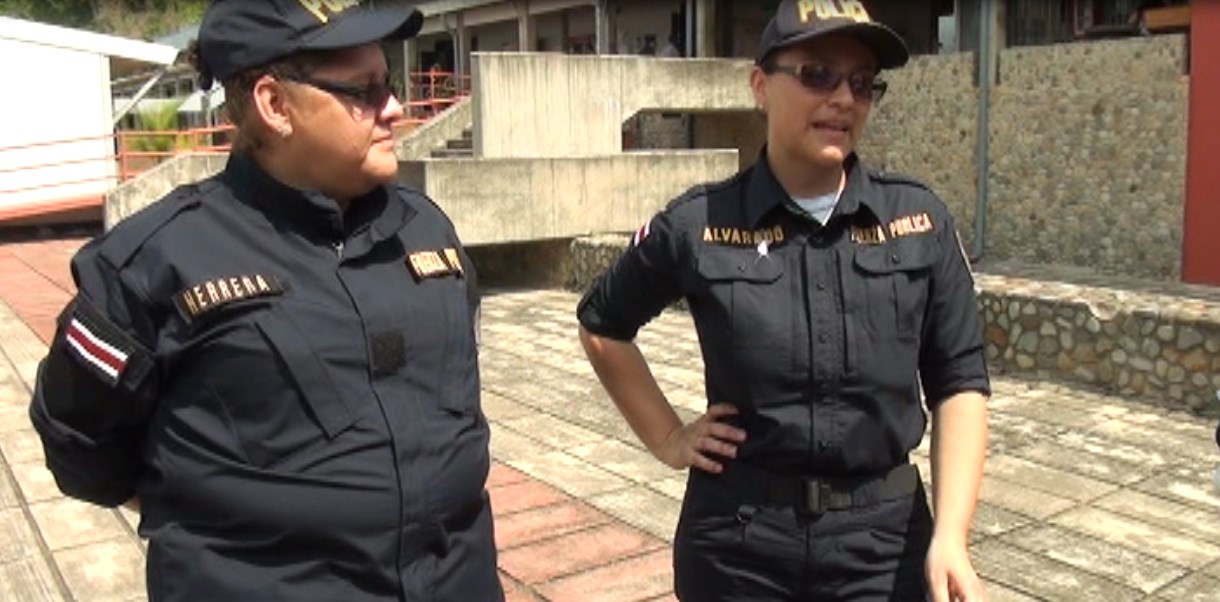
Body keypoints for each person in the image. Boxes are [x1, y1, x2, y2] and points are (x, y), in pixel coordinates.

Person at [28, 1, 502, 600]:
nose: (395, 108)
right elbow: (78, 446)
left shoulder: (429, 231)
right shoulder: (155, 262)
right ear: (275, 106)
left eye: (393, 82)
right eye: (365, 91)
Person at [577, 1, 990, 600]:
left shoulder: (917, 219)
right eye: (817, 74)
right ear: (759, 86)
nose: (843, 99)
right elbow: (602, 324)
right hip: (739, 542)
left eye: (861, 82)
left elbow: (959, 380)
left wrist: (952, 534)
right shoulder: (700, 222)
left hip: (882, 545)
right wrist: (668, 437)